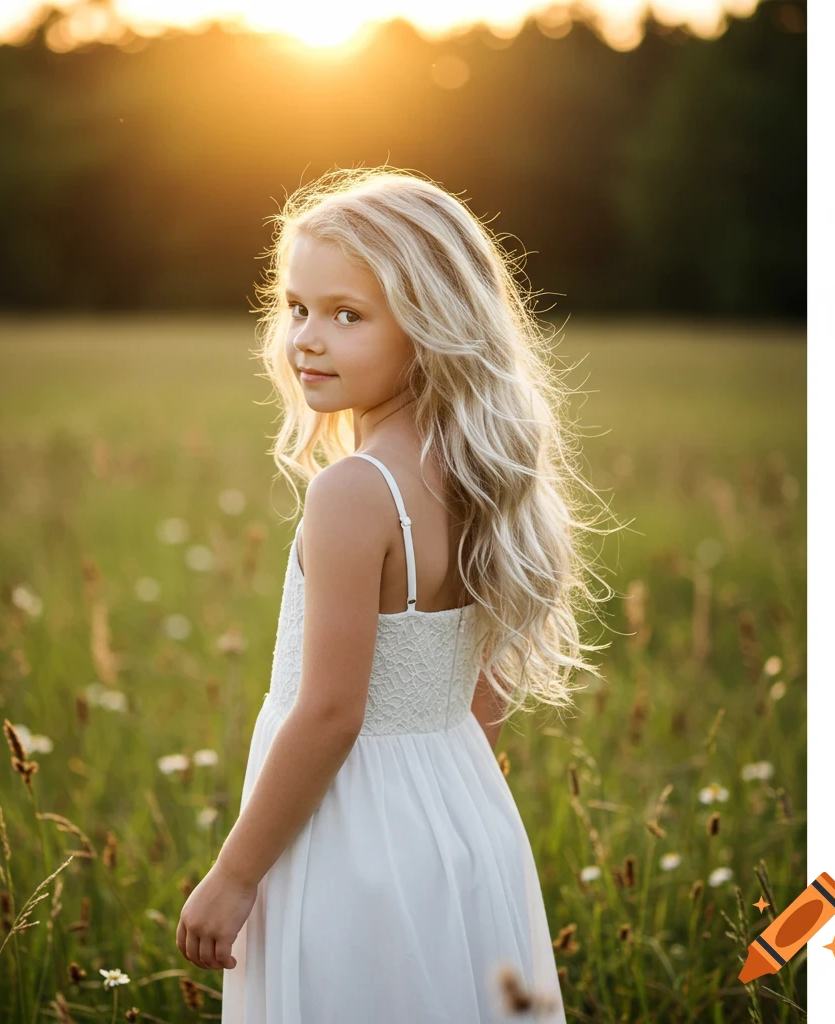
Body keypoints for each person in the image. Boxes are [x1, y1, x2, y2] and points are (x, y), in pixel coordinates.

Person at [176, 166, 619, 1023]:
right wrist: (450, 808)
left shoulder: (355, 490)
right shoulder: (474, 473)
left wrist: (233, 875)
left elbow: (331, 714)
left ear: (430, 326)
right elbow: (479, 687)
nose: (307, 337)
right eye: (297, 308)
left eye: (347, 315)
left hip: (347, 834)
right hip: (461, 814)